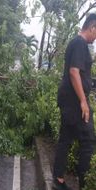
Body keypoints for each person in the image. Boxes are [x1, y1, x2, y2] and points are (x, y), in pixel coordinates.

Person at [53, 13, 96, 190]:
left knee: (66, 138)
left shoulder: (76, 43)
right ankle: (85, 184)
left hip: (68, 100)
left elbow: (81, 73)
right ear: (92, 27)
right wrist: (83, 102)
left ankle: (58, 179)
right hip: (75, 103)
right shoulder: (79, 43)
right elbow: (73, 72)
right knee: (88, 142)